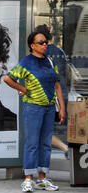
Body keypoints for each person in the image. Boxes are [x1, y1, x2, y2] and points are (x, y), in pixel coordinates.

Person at [4, 31, 65, 193]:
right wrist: (22, 88)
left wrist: (62, 108)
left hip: (49, 107)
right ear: (32, 45)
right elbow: (8, 78)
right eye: (41, 42)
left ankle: (42, 178)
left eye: (46, 42)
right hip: (33, 107)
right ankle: (28, 179)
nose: (45, 45)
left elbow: (57, 85)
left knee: (45, 143)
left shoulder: (50, 62)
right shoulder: (27, 62)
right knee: (32, 143)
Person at [34, 24, 69, 159]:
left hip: (47, 94)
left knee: (43, 129)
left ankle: (65, 148)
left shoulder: (41, 53)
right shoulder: (60, 52)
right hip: (61, 92)